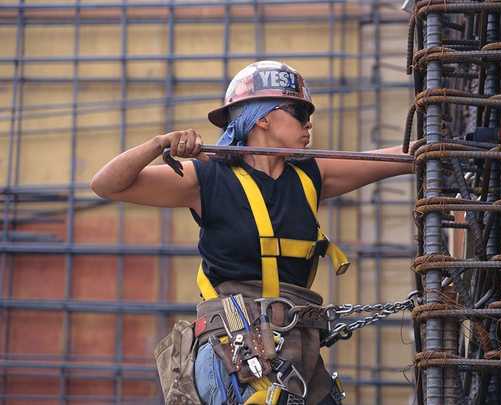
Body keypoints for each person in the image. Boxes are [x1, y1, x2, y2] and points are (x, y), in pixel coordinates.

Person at [91, 60, 413, 405]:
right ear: (263, 117)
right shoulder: (208, 178)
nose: (308, 124)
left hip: (295, 347)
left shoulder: (309, 176)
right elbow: (106, 185)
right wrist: (160, 144)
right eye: (298, 113)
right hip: (234, 350)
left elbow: (397, 159)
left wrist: (452, 146)